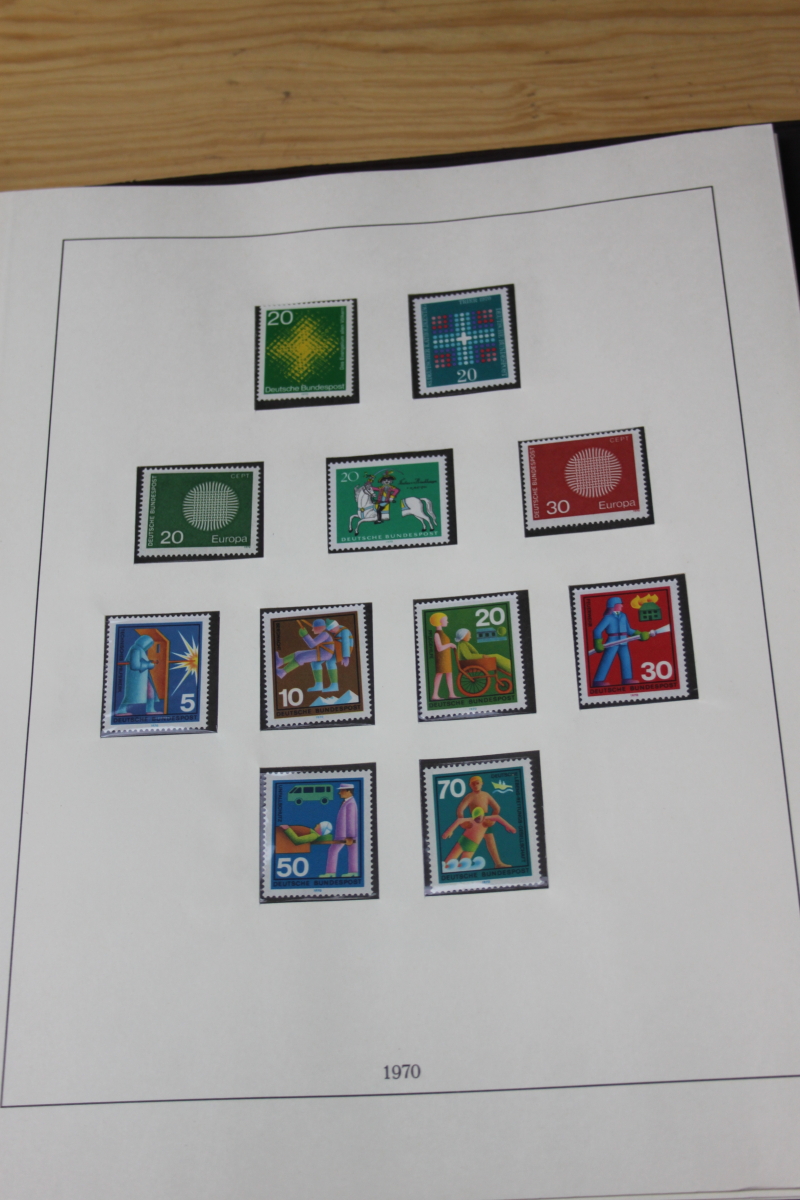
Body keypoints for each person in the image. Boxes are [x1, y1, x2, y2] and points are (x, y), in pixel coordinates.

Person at [592, 596, 651, 687]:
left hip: (624, 641)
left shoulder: (624, 616)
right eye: (620, 604)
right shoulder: (608, 618)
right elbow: (597, 630)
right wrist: (598, 643)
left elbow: (629, 630)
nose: (622, 606)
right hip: (612, 642)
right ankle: (598, 680)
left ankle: (627, 679)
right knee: (607, 660)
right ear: (613, 606)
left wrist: (639, 635)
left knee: (626, 660)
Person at [455, 775, 512, 868]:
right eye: (473, 784)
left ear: (482, 784)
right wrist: (463, 823)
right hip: (475, 822)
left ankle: (498, 863)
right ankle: (461, 865)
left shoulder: (486, 795)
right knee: (470, 842)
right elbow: (460, 810)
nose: (475, 785)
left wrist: (492, 821)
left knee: (490, 841)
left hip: (485, 822)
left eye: (477, 783)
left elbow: (497, 808)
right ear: (470, 785)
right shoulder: (469, 796)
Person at [442, 806, 516, 868]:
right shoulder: (471, 820)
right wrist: (449, 831)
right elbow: (459, 820)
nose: (477, 820)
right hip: (463, 842)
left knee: (463, 865)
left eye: (479, 818)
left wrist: (509, 826)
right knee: (447, 863)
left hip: (472, 846)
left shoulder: (486, 819)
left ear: (483, 816)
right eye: (475, 818)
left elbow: (497, 817)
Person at [275, 618, 337, 692]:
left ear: (319, 628)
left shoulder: (324, 634)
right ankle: (280, 661)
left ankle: (282, 672)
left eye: (313, 628)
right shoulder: (324, 633)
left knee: (301, 657)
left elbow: (312, 644)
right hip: (323, 652)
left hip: (325, 654)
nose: (312, 630)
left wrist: (305, 635)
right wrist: (305, 635)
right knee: (299, 653)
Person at [320, 783, 360, 878]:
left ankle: (332, 873)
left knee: (335, 850)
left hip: (346, 834)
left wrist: (350, 836)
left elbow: (351, 820)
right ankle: (352, 871)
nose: (339, 793)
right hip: (344, 834)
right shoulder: (347, 802)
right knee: (351, 852)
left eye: (341, 791)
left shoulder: (350, 804)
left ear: (348, 791)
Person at [116, 633, 159, 714]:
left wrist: (148, 663)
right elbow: (135, 665)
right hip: (136, 677)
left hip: (142, 676)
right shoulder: (136, 650)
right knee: (131, 695)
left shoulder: (139, 649)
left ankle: (150, 709)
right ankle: (121, 710)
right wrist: (148, 665)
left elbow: (141, 662)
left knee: (150, 691)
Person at [429, 612, 457, 700]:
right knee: (439, 674)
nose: (447, 622)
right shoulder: (437, 634)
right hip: (441, 658)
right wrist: (450, 644)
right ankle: (435, 695)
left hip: (446, 658)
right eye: (446, 620)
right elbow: (439, 648)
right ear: (439, 621)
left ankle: (452, 694)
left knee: (449, 674)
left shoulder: (442, 633)